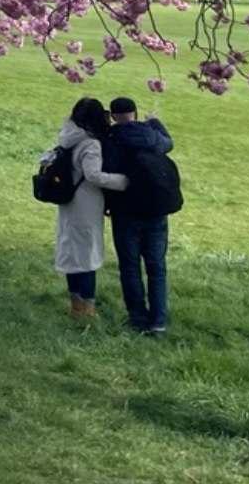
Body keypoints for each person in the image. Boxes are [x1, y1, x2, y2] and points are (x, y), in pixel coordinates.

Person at [50, 98, 129, 320]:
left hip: (68, 202)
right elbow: (93, 175)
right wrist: (123, 181)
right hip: (86, 203)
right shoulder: (90, 144)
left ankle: (75, 304)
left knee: (72, 254)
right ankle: (88, 307)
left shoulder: (68, 137)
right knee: (87, 256)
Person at [104, 97, 176, 334]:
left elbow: (108, 171)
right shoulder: (150, 137)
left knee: (130, 266)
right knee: (157, 267)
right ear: (134, 113)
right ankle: (158, 321)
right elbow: (169, 143)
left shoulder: (112, 139)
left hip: (125, 211)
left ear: (114, 116)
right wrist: (154, 121)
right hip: (156, 210)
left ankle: (137, 317)